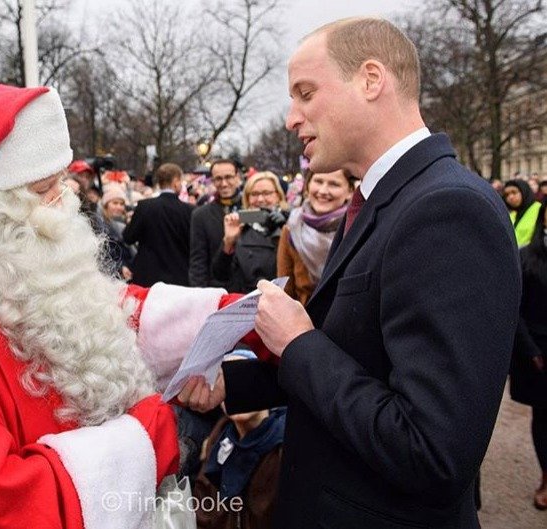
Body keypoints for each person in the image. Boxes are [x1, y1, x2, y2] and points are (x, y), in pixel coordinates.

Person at [0, 81, 243, 528]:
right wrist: (147, 436)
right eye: (47, 187)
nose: (66, 202)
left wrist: (246, 318)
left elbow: (104, 311)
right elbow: (2, 511)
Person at [178, 17, 520, 529]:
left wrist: (296, 343)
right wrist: (236, 382)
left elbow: (433, 451)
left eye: (306, 93)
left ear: (370, 79)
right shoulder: (385, 198)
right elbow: (359, 356)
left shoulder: (447, 208)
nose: (292, 117)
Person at [193, 351, 285, 529]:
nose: (238, 393)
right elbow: (202, 510)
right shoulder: (218, 442)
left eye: (246, 382)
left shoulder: (286, 445)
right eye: (225, 385)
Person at [509, 201, 547, 510]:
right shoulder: (526, 258)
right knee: (544, 418)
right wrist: (530, 350)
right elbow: (515, 308)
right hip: (539, 352)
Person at [277, 169, 354, 303]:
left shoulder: (357, 227)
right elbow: (285, 291)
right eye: (318, 181)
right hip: (302, 318)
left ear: (350, 191)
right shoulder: (292, 227)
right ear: (307, 186)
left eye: (334, 184)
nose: (323, 191)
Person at [211, 171, 288, 293]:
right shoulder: (239, 226)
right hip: (246, 302)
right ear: (247, 198)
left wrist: (285, 227)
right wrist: (228, 242)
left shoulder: (291, 225)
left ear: (278, 196)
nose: (260, 199)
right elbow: (220, 275)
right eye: (254, 194)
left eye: (267, 193)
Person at [123, 163, 194, 287]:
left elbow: (128, 237)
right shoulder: (189, 211)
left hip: (147, 278)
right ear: (176, 181)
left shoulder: (144, 207)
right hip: (179, 279)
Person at [189, 159, 243, 288]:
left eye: (228, 177)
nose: (224, 183)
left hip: (251, 289)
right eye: (218, 179)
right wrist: (199, 294)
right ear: (212, 181)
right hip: (218, 290)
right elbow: (198, 261)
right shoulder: (200, 215)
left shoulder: (252, 209)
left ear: (237, 177)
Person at [97, 184, 135, 281]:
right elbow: (106, 252)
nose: (119, 207)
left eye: (121, 204)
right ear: (106, 205)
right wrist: (121, 266)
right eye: (115, 203)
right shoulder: (100, 225)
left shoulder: (122, 225)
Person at [503, 179, 542, 246]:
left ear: (524, 192)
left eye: (514, 192)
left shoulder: (539, 209)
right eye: (507, 195)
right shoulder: (512, 215)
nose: (511, 197)